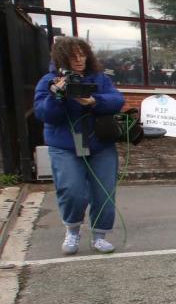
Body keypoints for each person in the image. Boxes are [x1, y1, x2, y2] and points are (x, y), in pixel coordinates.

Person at [34, 36, 126, 255]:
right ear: (61, 57)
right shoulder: (49, 80)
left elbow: (117, 100)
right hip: (65, 145)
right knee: (72, 191)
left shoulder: (99, 78)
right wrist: (57, 96)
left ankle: (100, 236)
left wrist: (95, 101)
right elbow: (43, 114)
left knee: (103, 193)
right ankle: (73, 231)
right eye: (73, 55)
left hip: (99, 144)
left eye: (82, 54)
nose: (79, 59)